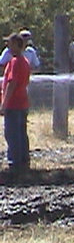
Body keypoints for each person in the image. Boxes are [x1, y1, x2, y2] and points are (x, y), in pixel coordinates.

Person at [1, 33, 31, 177]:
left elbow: (11, 84)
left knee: (11, 133)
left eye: (10, 43)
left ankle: (15, 163)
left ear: (17, 45)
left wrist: (4, 104)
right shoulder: (25, 61)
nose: (8, 46)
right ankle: (24, 160)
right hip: (23, 102)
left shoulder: (15, 62)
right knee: (21, 133)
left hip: (13, 104)